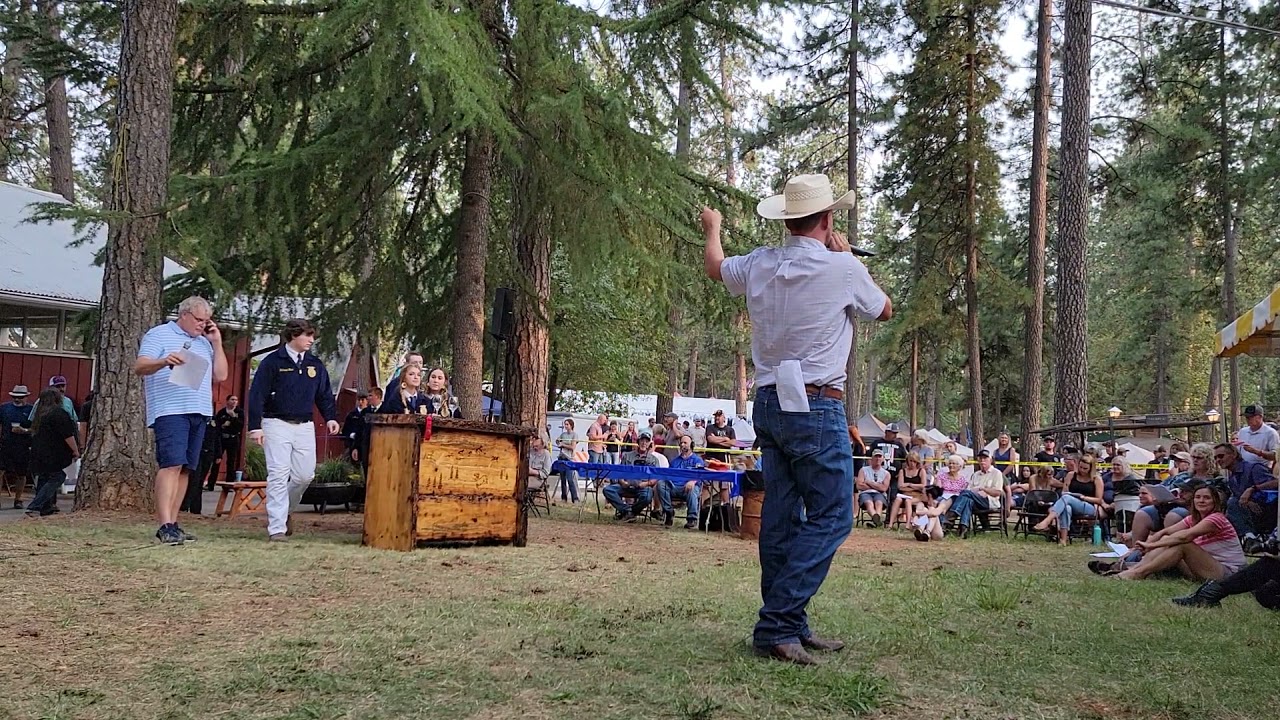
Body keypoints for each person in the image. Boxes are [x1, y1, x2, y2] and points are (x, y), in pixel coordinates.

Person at [703, 172, 892, 665]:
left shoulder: (761, 263)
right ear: (828, 220)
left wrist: (713, 226)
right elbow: (885, 310)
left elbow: (716, 267)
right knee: (832, 514)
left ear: (787, 220)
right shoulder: (845, 267)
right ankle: (779, 623)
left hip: (769, 400)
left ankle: (791, 621)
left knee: (782, 516)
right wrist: (843, 256)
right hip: (816, 403)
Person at [135, 295, 229, 545]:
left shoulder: (204, 343)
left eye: (207, 321)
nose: (202, 325)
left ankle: (174, 523)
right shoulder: (159, 335)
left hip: (198, 410)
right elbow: (140, 366)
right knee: (172, 464)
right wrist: (164, 360)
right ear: (184, 314)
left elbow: (221, 375)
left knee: (187, 468)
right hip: (170, 409)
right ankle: (164, 524)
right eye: (199, 320)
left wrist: (217, 342)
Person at [247, 318, 340, 542]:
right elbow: (256, 394)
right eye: (307, 335)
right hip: (275, 423)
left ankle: (285, 509)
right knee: (278, 475)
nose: (311, 340)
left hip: (304, 426)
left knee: (304, 475)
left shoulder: (314, 364)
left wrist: (330, 418)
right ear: (293, 336)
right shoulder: (272, 362)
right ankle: (276, 528)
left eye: (312, 335)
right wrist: (255, 427)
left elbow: (324, 394)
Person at [1115, 484, 1245, 581]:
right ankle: (1134, 569)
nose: (1201, 501)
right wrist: (1144, 544)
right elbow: (1167, 531)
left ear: (1215, 502)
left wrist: (1151, 545)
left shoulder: (1216, 518)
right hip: (1204, 566)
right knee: (1168, 538)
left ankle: (1139, 573)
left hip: (1228, 572)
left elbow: (1185, 537)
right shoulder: (1193, 519)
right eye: (1198, 497)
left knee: (1183, 544)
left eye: (1206, 498)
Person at [24, 388, 78, 517]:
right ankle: (35, 505)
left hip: (38, 452)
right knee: (57, 477)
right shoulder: (59, 414)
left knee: (43, 478)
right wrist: (75, 450)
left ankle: (45, 507)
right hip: (54, 453)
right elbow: (67, 435)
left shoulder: (39, 415)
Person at [1034, 451, 1106, 545]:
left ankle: (1047, 521)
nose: (1082, 470)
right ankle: (1063, 539)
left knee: (1067, 498)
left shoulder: (1096, 479)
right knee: (1066, 506)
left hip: (1089, 506)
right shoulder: (1071, 475)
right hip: (1070, 501)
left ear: (1091, 468)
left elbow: (1099, 499)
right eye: (1080, 467)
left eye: (1085, 468)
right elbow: (1064, 491)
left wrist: (1083, 497)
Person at [1173, 550, 1280, 609]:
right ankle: (1213, 591)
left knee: (1271, 563)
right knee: (1265, 594)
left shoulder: (1216, 520)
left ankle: (1212, 593)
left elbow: (1182, 538)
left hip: (1225, 569)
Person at [1213, 442, 1278, 537]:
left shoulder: (1253, 468)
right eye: (1215, 458)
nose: (1218, 460)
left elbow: (1276, 483)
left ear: (1234, 455)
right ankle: (1249, 537)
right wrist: (1248, 502)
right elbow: (1241, 500)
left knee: (1232, 503)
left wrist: (1252, 488)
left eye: (1221, 456)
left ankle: (1250, 537)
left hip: (1269, 512)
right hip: (1250, 513)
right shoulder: (1232, 478)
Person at [947, 449, 1004, 537]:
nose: (982, 461)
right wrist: (976, 493)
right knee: (968, 500)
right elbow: (969, 490)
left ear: (991, 460)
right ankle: (963, 528)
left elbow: (997, 492)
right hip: (975, 500)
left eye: (985, 458)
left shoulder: (997, 473)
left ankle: (951, 518)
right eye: (980, 458)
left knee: (966, 493)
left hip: (989, 501)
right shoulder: (975, 475)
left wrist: (983, 489)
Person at [605, 432, 660, 521]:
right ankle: (626, 510)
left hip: (643, 487)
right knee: (608, 490)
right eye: (642, 440)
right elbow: (620, 472)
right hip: (627, 485)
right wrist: (622, 482)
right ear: (638, 442)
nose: (644, 443)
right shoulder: (627, 455)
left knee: (647, 496)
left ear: (650, 444)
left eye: (646, 441)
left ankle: (631, 512)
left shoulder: (654, 460)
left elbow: (656, 477)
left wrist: (646, 484)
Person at [659, 435, 705, 528]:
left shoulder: (697, 460)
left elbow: (701, 475)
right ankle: (669, 512)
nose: (682, 445)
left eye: (685, 443)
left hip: (689, 488)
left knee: (693, 490)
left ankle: (691, 519)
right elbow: (669, 474)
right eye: (681, 443)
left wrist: (693, 481)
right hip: (674, 487)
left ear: (691, 445)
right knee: (661, 484)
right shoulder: (674, 461)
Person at [1, 385, 32, 509]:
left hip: (23, 446)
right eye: (15, 397)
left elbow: (35, 428)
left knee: (21, 473)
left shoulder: (31, 410)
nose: (17, 400)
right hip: (6, 444)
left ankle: (18, 499)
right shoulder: (4, 408)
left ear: (26, 397)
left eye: (20, 397)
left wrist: (24, 430)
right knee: (1, 471)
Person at [182, 416, 220, 515]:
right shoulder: (196, 419)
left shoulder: (214, 420)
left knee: (200, 483)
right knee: (193, 480)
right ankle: (184, 506)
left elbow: (217, 437)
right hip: (196, 452)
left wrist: (218, 454)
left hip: (208, 453)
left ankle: (196, 509)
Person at [887, 451, 929, 528]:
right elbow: (900, 486)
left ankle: (908, 523)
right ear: (907, 461)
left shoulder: (921, 471)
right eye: (911, 461)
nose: (912, 463)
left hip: (917, 496)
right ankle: (890, 523)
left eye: (914, 461)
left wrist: (909, 485)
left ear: (917, 462)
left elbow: (923, 485)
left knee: (908, 501)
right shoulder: (902, 471)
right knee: (897, 500)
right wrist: (914, 487)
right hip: (904, 494)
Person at [212, 395, 244, 487]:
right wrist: (222, 425)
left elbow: (240, 426)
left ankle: (229, 483)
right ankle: (211, 482)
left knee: (231, 460)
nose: (234, 401)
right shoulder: (222, 412)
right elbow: (217, 425)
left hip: (233, 438)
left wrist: (234, 418)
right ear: (227, 401)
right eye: (232, 399)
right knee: (217, 459)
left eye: (236, 400)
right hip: (222, 438)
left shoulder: (239, 412)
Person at [855, 449, 890, 527]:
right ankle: (876, 519)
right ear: (872, 458)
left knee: (879, 502)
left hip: (880, 494)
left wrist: (869, 482)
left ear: (883, 459)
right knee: (869, 502)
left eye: (879, 456)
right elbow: (859, 485)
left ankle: (875, 520)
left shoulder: (886, 473)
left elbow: (884, 488)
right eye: (876, 456)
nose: (878, 458)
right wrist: (877, 486)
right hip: (865, 493)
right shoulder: (863, 470)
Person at [555, 419, 579, 504]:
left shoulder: (574, 435)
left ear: (571, 425)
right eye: (565, 424)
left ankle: (575, 498)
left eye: (567, 424)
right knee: (563, 479)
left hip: (569, 459)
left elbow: (573, 447)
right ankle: (563, 498)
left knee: (570, 479)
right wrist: (558, 442)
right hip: (562, 457)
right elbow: (558, 441)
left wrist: (563, 445)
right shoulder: (563, 434)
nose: (565, 426)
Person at [341, 393, 370, 461]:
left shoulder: (369, 413)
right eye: (359, 400)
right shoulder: (351, 414)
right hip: (352, 443)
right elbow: (345, 430)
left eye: (362, 400)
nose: (360, 402)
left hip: (365, 442)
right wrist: (350, 434)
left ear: (367, 401)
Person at [527, 436, 554, 502]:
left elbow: (546, 473)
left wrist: (533, 471)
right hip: (526, 476)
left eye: (537, 446)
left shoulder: (546, 454)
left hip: (538, 479)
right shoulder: (531, 451)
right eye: (533, 445)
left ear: (542, 445)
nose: (534, 447)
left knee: (522, 484)